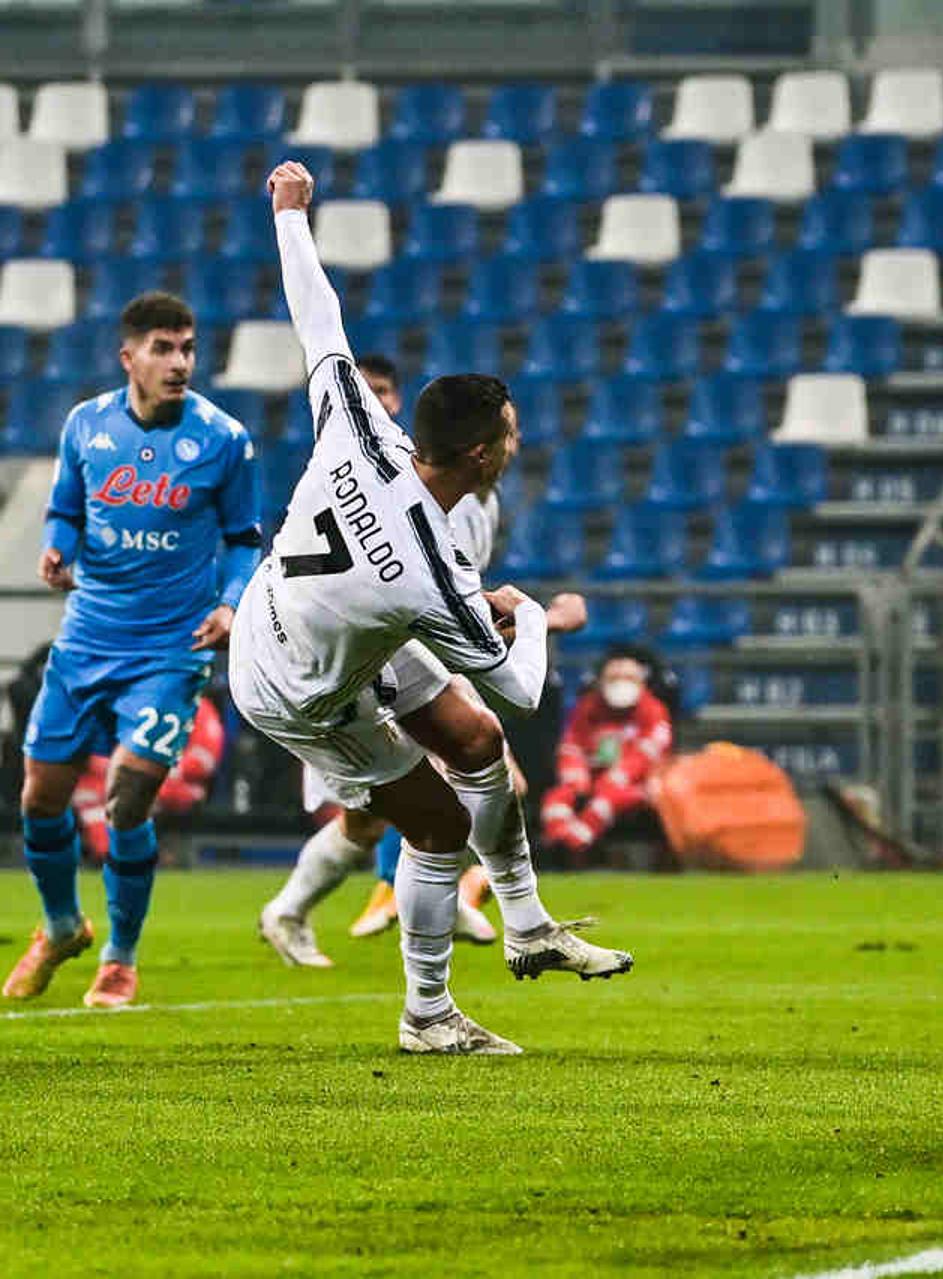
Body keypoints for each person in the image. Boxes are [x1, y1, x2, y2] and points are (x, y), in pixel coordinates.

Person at [230, 160, 629, 1055]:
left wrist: (291, 216)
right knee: (440, 822)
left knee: (477, 744)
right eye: (513, 434)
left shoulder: (361, 427)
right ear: (485, 457)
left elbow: (317, 320)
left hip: (297, 618)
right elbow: (522, 688)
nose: (518, 442)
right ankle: (427, 1016)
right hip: (298, 688)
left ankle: (527, 926)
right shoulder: (432, 572)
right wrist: (528, 615)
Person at [4, 292, 261, 1009]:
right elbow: (66, 507)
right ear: (129, 358)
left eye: (186, 348)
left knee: (127, 793)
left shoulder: (223, 439)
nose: (179, 362)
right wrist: (59, 546)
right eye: (162, 348)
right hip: (86, 637)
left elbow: (245, 540)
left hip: (169, 649)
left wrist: (231, 603)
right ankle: (60, 927)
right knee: (40, 797)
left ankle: (119, 956)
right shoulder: (86, 425)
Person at [257, 353, 556, 964]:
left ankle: (294, 910)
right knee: (457, 794)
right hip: (354, 670)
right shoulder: (364, 464)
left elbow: (447, 589)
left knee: (380, 818)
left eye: (386, 390)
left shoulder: (473, 499)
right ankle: (447, 933)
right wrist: (532, 621)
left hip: (401, 654)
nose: (377, 401)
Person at [539, 647, 677, 864]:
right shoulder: (589, 706)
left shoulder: (653, 709)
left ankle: (575, 843)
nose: (621, 682)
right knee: (556, 798)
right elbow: (571, 745)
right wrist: (575, 775)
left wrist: (618, 776)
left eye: (629, 677)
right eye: (614, 677)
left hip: (638, 786)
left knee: (608, 799)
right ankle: (557, 843)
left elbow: (651, 750)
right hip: (592, 778)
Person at [72, 693, 224, 862]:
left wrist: (163, 769)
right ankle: (107, 854)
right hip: (118, 780)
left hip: (178, 785)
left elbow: (204, 760)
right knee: (88, 793)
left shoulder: (199, 708)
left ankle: (139, 855)